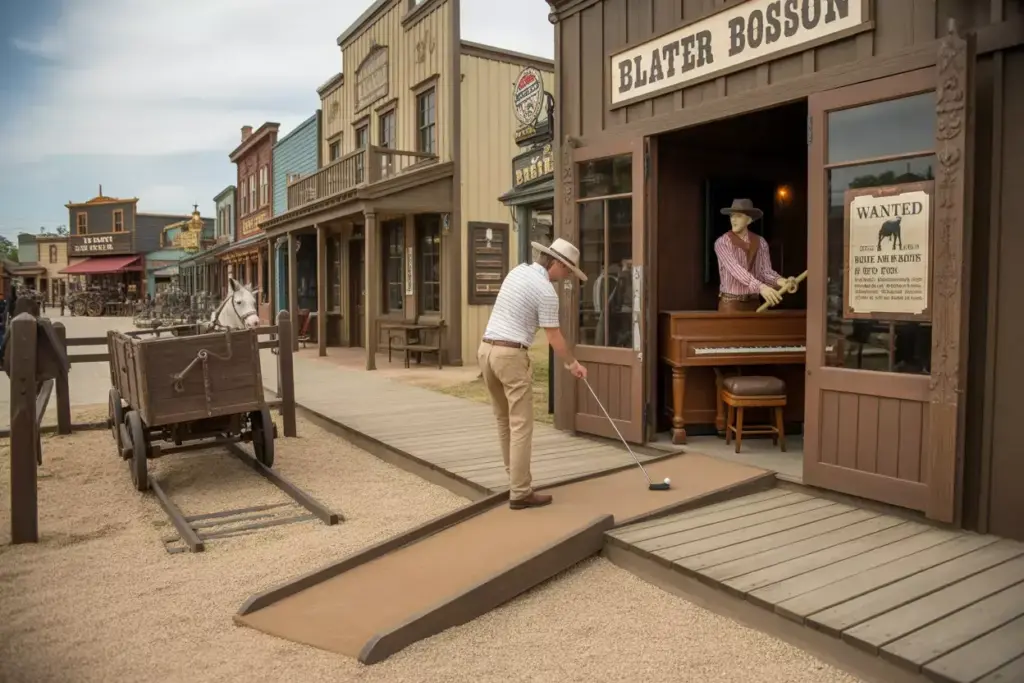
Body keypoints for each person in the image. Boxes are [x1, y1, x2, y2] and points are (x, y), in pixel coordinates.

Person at [478, 238, 588, 510]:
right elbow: (553, 336)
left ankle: (515, 480)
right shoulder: (546, 291)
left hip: (486, 351)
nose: (567, 276)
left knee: (504, 420)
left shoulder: (517, 272)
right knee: (521, 424)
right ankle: (520, 492)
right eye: (568, 270)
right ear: (557, 263)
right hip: (510, 356)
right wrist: (572, 363)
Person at [713, 198, 798, 313]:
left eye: (739, 216)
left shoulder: (760, 242)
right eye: (732, 216)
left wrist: (782, 281)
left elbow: (764, 272)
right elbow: (736, 270)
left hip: (754, 303)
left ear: (749, 220)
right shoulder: (722, 243)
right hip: (731, 304)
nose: (733, 220)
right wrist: (761, 287)